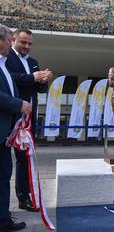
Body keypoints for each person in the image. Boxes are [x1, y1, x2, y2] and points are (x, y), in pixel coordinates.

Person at [6, 29, 53, 212]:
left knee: (25, 159)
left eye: (30, 43)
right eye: (23, 42)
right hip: (11, 116)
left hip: (29, 119)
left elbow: (40, 89)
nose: (27, 46)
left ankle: (24, 198)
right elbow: (9, 79)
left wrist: (43, 80)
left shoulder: (33, 62)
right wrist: (32, 77)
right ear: (13, 41)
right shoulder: (6, 58)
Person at [0, 24, 31, 231]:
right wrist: (18, 104)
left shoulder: (3, 63)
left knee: (3, 175)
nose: (11, 44)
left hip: (5, 133)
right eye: (10, 39)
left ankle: (3, 219)